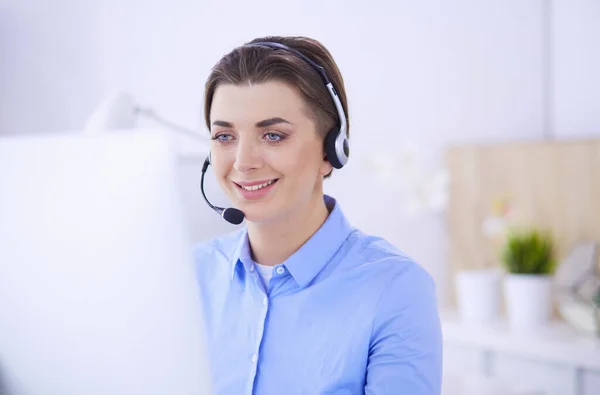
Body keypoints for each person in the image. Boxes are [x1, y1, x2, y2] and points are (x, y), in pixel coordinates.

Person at [194, 36, 443, 395]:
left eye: (273, 135)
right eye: (224, 136)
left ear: (332, 150)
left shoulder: (396, 289)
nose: (243, 162)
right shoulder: (189, 277)